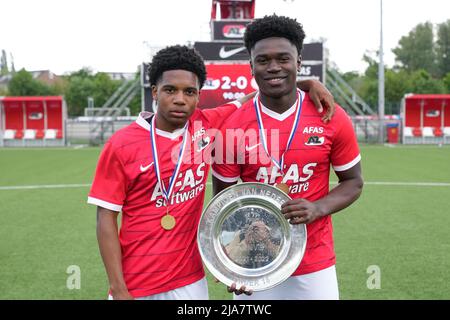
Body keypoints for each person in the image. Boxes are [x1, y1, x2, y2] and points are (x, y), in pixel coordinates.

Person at [87, 44, 335, 300]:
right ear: (154, 92)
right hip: (135, 285)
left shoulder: (205, 125)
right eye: (170, 90)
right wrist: (118, 288)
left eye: (189, 92)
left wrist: (307, 83)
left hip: (190, 282)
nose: (180, 99)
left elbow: (257, 94)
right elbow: (105, 218)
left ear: (198, 96)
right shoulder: (121, 144)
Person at [212, 14, 364, 300]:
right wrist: (232, 261)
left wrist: (317, 208)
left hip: (314, 260)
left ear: (298, 62)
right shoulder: (231, 125)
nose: (273, 68)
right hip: (254, 261)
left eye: (283, 58)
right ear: (251, 66)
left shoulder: (330, 116)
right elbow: (224, 205)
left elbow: (353, 182)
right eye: (263, 60)